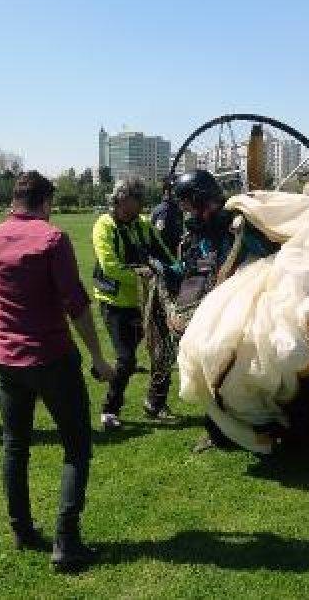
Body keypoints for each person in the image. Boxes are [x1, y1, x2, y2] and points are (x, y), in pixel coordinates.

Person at [0, 171, 115, 573]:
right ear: (46, 201)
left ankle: (21, 529)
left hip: (7, 359)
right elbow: (76, 304)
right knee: (76, 447)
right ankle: (66, 541)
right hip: (52, 357)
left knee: (15, 446)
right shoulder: (52, 239)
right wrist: (98, 357)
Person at [169, 169, 278, 452]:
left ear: (201, 200)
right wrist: (164, 272)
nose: (186, 212)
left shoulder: (239, 227)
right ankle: (221, 432)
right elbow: (189, 267)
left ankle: (259, 427)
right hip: (206, 316)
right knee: (209, 374)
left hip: (243, 316)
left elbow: (270, 258)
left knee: (238, 374)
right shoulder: (195, 233)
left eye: (188, 204)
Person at [92, 177, 177, 429]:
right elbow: (110, 267)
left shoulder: (143, 224)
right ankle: (110, 409)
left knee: (163, 353)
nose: (142, 203)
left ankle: (156, 403)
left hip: (148, 302)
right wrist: (145, 275)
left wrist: (176, 270)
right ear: (122, 200)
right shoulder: (104, 226)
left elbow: (164, 253)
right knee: (127, 359)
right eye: (137, 198)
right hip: (116, 303)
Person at [150, 177, 184, 256]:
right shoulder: (165, 211)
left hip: (173, 256)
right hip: (166, 258)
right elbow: (159, 237)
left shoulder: (175, 209)